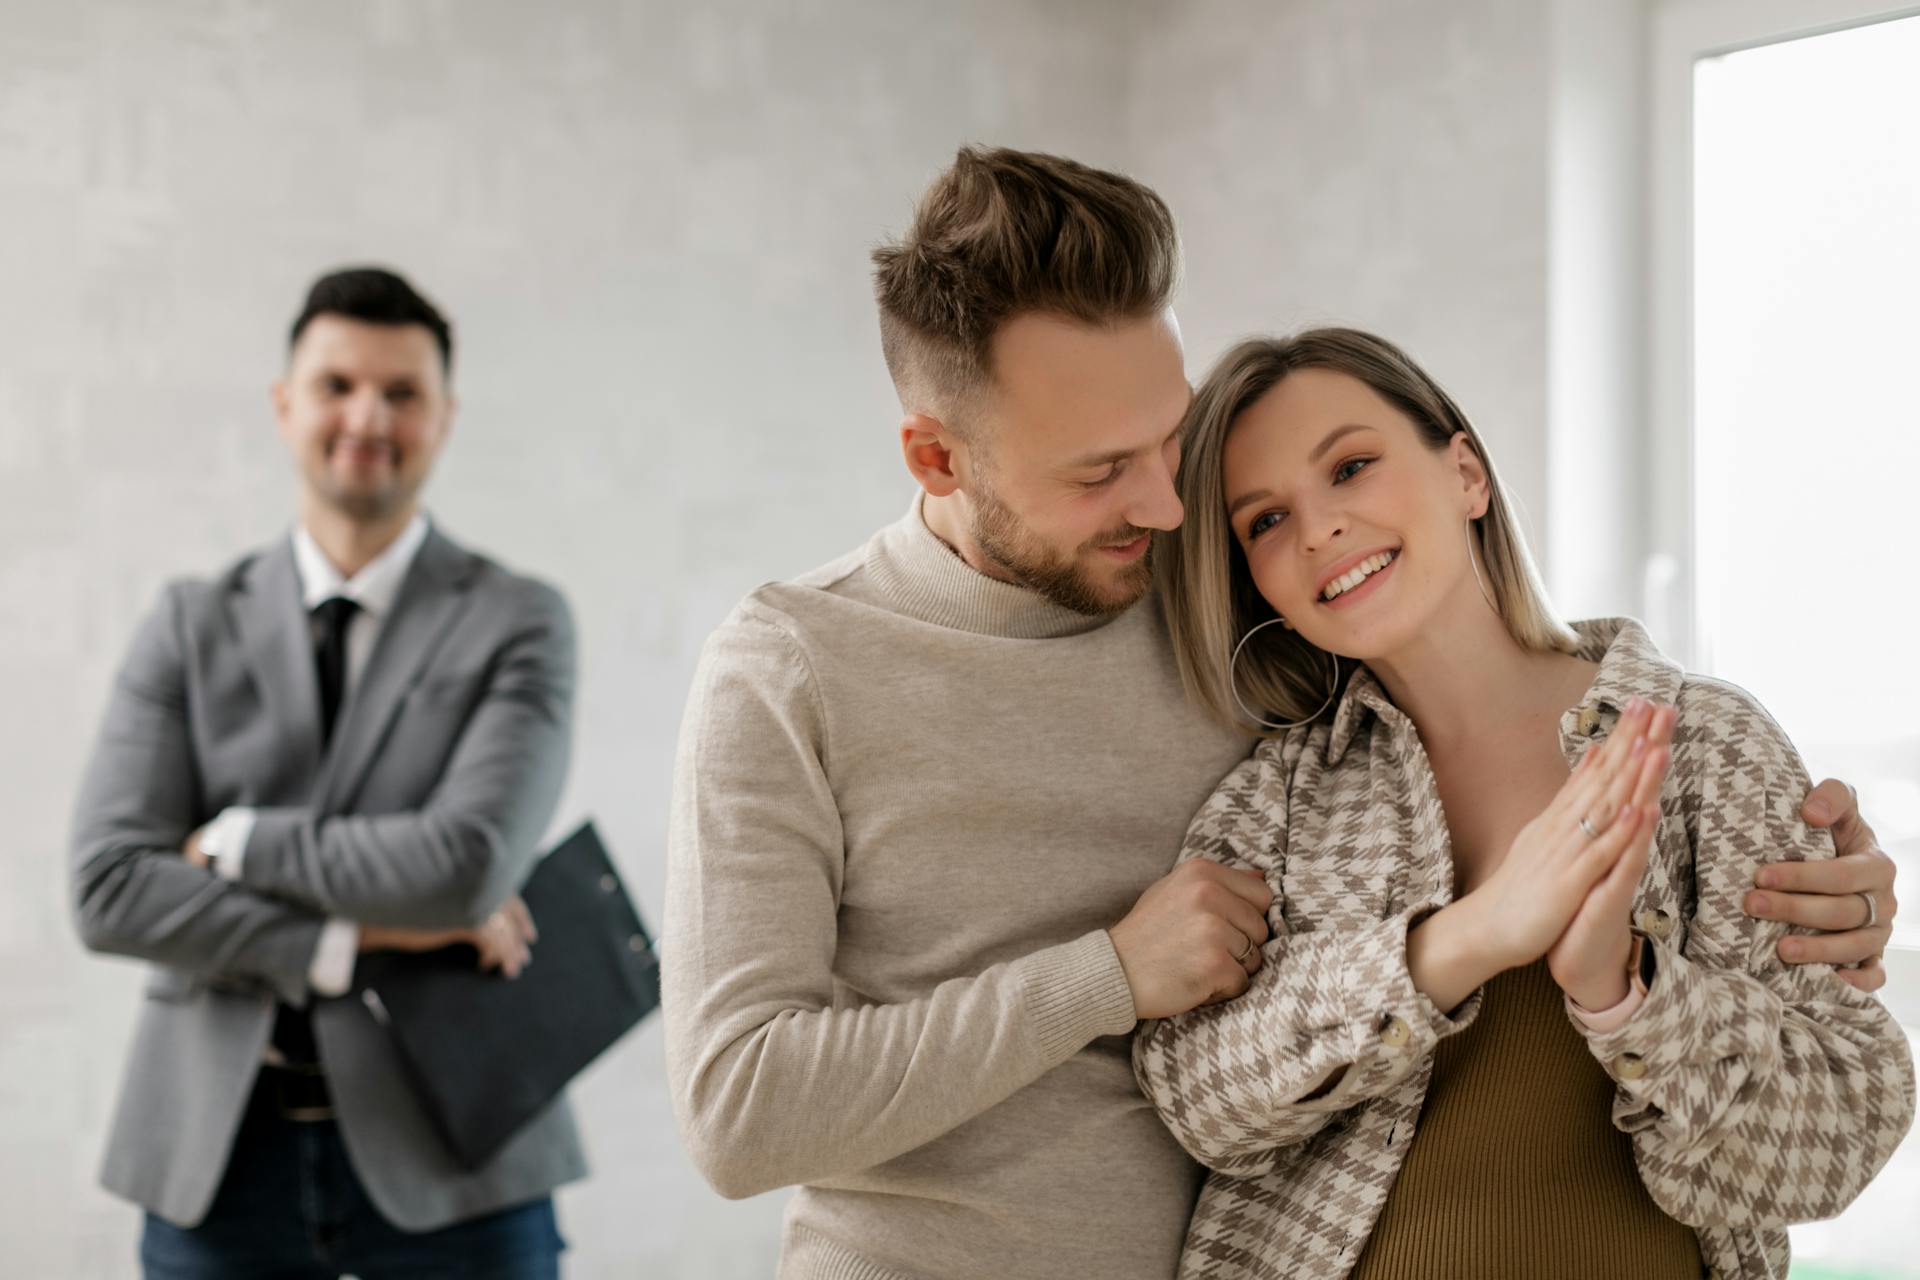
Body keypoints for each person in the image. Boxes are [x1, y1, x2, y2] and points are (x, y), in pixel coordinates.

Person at [664, 148, 1899, 1280]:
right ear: (937, 459)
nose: (1165, 507)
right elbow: (737, 1111)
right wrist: (1110, 974)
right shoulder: (793, 668)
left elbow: (1483, 682)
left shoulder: (1249, 646)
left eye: (1173, 440)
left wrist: (1818, 882)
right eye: (1103, 471)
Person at [1136, 328, 1915, 1279]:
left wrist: (1622, 989)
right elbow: (1197, 1099)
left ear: (1466, 472)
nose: (1317, 529)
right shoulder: (1274, 800)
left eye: (1351, 465)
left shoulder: (1708, 747)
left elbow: (1838, 1137)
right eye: (1264, 521)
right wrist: (1456, 946)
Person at [71, 267, 580, 1278]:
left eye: (402, 392)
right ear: (284, 404)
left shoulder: (519, 617)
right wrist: (359, 933)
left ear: (445, 415)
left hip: (457, 1150)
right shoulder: (189, 619)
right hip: (218, 1153)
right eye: (337, 383)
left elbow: (465, 864)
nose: (366, 416)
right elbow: (110, 888)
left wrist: (235, 842)